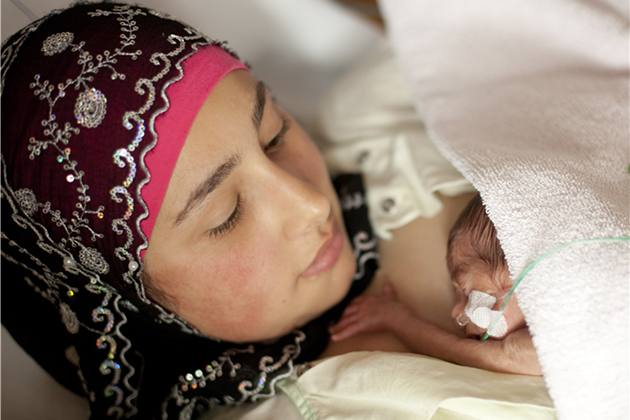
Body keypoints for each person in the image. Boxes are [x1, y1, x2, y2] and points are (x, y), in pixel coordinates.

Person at [1, 2, 476, 418]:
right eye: (226, 215)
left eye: (274, 137)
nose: (311, 205)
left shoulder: (383, 116)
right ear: (131, 304)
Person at [330, 194, 543, 375]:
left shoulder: (547, 344)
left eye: (468, 293)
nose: (455, 312)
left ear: (514, 270)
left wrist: (396, 320)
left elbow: (458, 350)